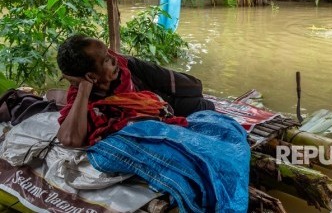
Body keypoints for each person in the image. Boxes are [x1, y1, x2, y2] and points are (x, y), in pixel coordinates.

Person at [56, 35, 215, 147]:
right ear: (91, 77)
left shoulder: (126, 66)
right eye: (106, 59)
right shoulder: (82, 98)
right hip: (160, 105)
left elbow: (193, 87)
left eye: (110, 52)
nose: (115, 59)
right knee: (205, 107)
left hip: (151, 88)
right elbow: (70, 139)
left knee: (195, 88)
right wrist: (84, 89)